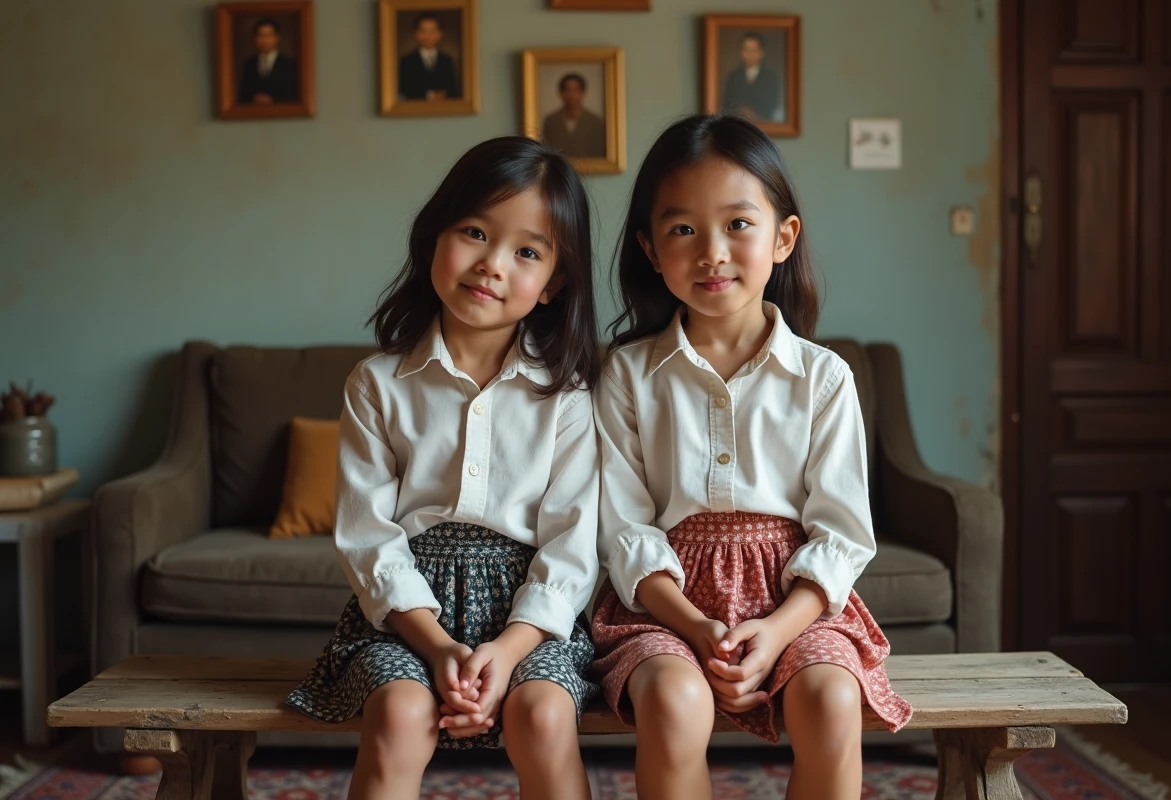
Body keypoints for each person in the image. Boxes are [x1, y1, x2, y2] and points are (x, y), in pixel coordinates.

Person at [590, 115, 912, 800]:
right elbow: (622, 530)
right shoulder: (626, 375)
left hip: (795, 603)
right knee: (673, 704)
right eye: (683, 230)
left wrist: (775, 628)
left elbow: (844, 532)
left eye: (738, 224)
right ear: (650, 248)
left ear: (783, 238)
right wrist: (695, 624)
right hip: (664, 607)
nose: (712, 251)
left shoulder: (823, 377)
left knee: (831, 702)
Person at [286, 136, 602, 800]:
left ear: (556, 283)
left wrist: (509, 649)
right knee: (402, 713)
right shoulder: (377, 383)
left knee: (543, 715)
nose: (492, 264)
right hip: (408, 617)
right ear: (435, 235)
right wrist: (436, 649)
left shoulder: (570, 395)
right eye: (475, 233)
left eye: (527, 252)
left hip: (528, 619)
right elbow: (367, 533)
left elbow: (574, 543)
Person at [542, 73, 606, 159]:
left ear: (583, 93)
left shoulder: (596, 122)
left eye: (576, 90)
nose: (572, 95)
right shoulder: (550, 121)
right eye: (567, 90)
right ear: (561, 93)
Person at [721, 32, 782, 122]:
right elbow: (727, 104)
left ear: (761, 52)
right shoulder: (733, 77)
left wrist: (755, 114)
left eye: (753, 50)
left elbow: (772, 105)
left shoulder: (771, 78)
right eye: (746, 50)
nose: (749, 54)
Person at [398, 13, 460, 101]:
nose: (427, 36)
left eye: (432, 31)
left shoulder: (447, 60)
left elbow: (453, 91)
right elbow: (403, 91)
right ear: (416, 33)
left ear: (440, 34)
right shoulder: (407, 61)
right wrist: (429, 96)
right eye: (423, 31)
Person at [237, 17, 299, 105]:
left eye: (269, 35)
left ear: (277, 38)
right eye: (261, 36)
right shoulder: (249, 64)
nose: (265, 40)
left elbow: (293, 94)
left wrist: (272, 99)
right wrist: (255, 99)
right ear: (254, 39)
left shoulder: (289, 64)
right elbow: (243, 96)